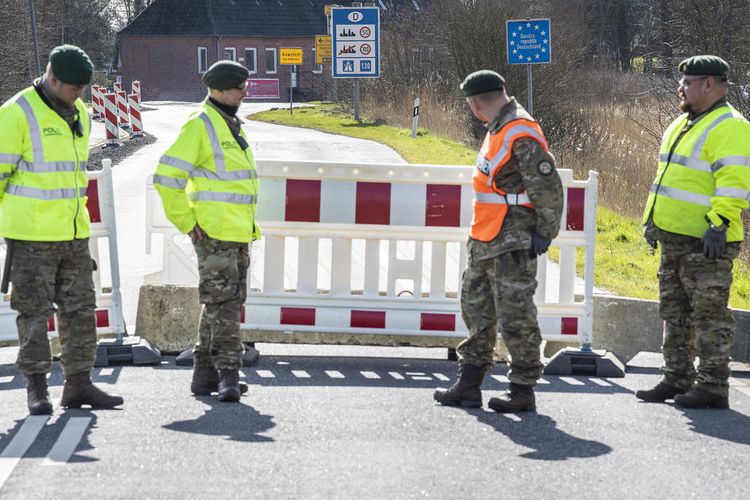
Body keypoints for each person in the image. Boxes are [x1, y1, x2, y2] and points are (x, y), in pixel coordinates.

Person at [0, 45, 123, 414]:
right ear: (52, 78)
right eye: (74, 88)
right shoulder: (16, 114)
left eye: (83, 88)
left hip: (73, 235)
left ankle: (79, 384)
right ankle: (37, 389)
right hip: (31, 237)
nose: (80, 95)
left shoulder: (81, 113)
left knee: (81, 311)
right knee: (34, 315)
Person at [434, 70, 563, 412]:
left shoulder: (520, 130)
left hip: (513, 240)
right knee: (477, 309)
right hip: (486, 238)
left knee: (515, 315)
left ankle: (522, 390)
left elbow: (547, 186)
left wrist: (544, 231)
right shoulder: (499, 128)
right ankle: (469, 385)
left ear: (475, 104)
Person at [637, 55, 750, 409]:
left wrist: (719, 223)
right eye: (680, 81)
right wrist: (652, 221)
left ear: (710, 85)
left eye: (688, 82)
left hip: (706, 241)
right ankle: (676, 378)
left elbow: (735, 181)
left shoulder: (730, 126)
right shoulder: (683, 123)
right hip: (674, 237)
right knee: (675, 312)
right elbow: (667, 180)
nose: (680, 87)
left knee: (709, 315)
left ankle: (713, 386)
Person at [154, 60, 260, 402]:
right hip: (213, 234)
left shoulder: (228, 123)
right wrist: (187, 221)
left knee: (221, 303)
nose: (246, 92)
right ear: (221, 90)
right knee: (226, 305)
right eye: (240, 87)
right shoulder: (200, 125)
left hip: (237, 232)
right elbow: (166, 178)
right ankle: (229, 373)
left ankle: (203, 376)